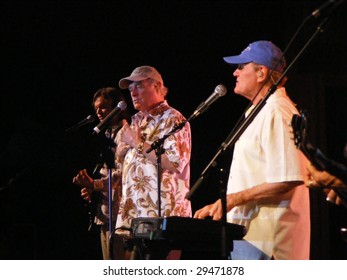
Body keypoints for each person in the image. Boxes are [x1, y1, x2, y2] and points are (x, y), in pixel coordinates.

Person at [194, 41, 311, 260]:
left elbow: (289, 177)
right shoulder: (261, 111)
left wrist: (232, 199)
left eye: (241, 67)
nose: (235, 73)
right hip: (251, 239)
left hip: (268, 246)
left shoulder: (277, 111)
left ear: (261, 72)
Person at [114, 65, 192, 259]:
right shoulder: (136, 121)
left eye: (138, 85)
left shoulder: (173, 119)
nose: (132, 91)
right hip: (135, 216)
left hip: (164, 218)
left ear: (157, 87)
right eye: (130, 87)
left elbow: (174, 163)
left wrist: (137, 143)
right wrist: (122, 151)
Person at [72, 87, 129, 260]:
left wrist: (93, 184)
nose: (99, 112)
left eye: (103, 107)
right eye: (96, 108)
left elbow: (122, 174)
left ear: (117, 108)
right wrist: (92, 189)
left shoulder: (126, 134)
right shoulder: (107, 134)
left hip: (120, 214)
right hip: (105, 211)